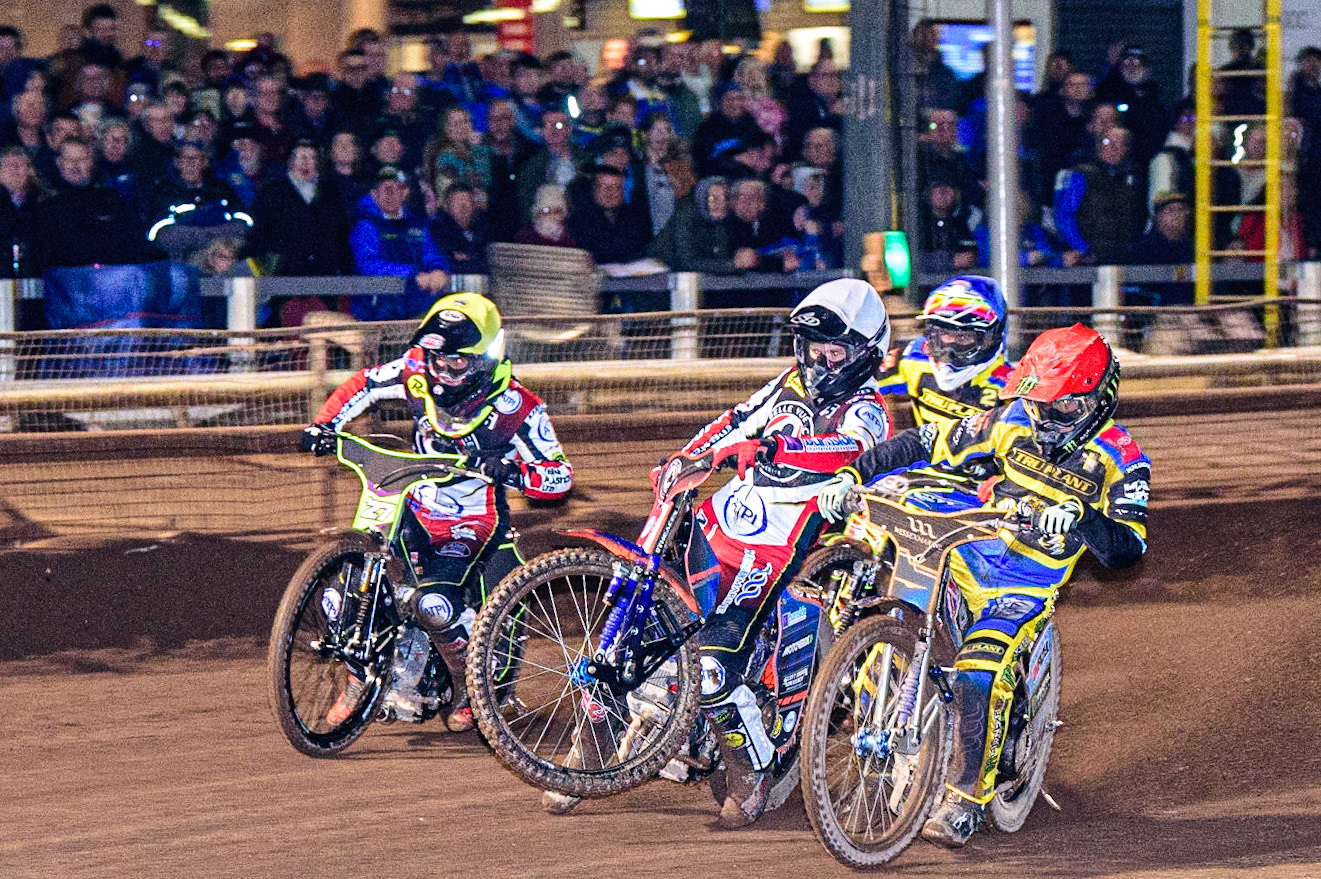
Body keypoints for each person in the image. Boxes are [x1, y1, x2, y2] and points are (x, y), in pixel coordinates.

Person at [817, 324, 1150, 848]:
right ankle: (866, 694)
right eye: (1041, 405)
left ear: (1100, 399)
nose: (1048, 418)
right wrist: (853, 475)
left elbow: (1128, 549)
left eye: (1065, 408)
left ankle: (966, 800)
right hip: (972, 547)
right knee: (897, 538)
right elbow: (925, 441)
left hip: (1025, 580)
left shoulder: (1123, 458)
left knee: (977, 676)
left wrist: (1082, 516)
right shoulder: (1014, 418)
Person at [662, 279, 894, 828]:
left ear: (866, 354)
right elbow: (733, 420)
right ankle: (612, 742)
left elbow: (846, 449)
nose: (822, 359)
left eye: (835, 351)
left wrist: (776, 446)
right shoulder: (787, 385)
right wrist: (689, 457)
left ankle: (752, 772)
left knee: (715, 665)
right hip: (725, 522)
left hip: (786, 543)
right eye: (815, 348)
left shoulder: (870, 410)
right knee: (657, 619)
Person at [302, 293, 574, 731]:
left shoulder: (518, 408)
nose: (442, 369)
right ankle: (359, 678)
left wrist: (511, 471)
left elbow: (560, 476)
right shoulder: (414, 369)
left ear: (486, 358)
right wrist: (324, 424)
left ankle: (475, 686)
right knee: (341, 599)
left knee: (434, 604)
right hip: (410, 505)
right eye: (436, 357)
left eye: (456, 361)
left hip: (471, 520)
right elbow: (365, 384)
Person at [349, 165, 450, 320]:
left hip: (417, 307)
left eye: (396, 189)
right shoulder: (366, 226)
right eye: (386, 189)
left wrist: (438, 270)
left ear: (405, 193)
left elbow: (431, 254)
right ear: (374, 194)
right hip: (376, 311)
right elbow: (368, 265)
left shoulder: (418, 224)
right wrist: (412, 274)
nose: (391, 194)